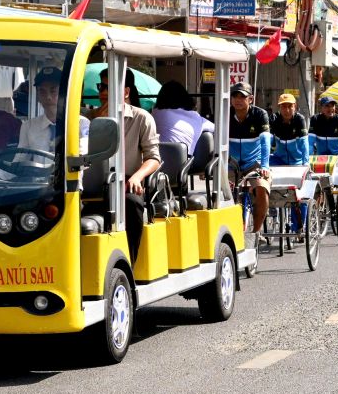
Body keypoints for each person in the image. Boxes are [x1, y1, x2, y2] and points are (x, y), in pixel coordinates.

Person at [91, 68, 161, 262]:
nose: (103, 92)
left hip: (127, 182)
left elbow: (154, 157)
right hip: (92, 183)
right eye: (101, 87)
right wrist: (94, 117)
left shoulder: (142, 118)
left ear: (126, 92)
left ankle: (129, 262)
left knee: (132, 202)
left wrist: (137, 177)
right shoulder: (87, 118)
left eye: (108, 87)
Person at [228, 82, 271, 234]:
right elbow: (216, 139)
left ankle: (256, 233)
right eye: (235, 96)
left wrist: (265, 166)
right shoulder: (224, 114)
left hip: (254, 164)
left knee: (262, 189)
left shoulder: (260, 115)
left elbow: (266, 142)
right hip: (231, 165)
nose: (238, 100)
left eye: (242, 96)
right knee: (223, 194)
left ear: (251, 99)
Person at [19, 67, 90, 155]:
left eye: (53, 91)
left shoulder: (81, 123)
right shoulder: (28, 126)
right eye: (42, 91)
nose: (48, 97)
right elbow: (19, 160)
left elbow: (83, 157)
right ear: (37, 96)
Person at [152, 80, 214, 155]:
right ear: (184, 98)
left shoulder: (155, 114)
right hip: (183, 165)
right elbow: (215, 128)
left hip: (155, 162)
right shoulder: (195, 117)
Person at [270, 93, 309, 166]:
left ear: (295, 106)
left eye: (290, 106)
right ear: (279, 107)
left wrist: (306, 164)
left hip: (297, 161)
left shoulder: (299, 119)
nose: (287, 110)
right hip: (278, 159)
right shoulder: (274, 118)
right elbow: (267, 141)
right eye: (283, 107)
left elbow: (304, 143)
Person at [308, 95, 338, 161]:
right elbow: (310, 141)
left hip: (337, 156)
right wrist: (308, 155)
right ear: (321, 108)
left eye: (332, 106)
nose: (330, 108)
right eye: (327, 106)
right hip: (321, 157)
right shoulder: (315, 119)